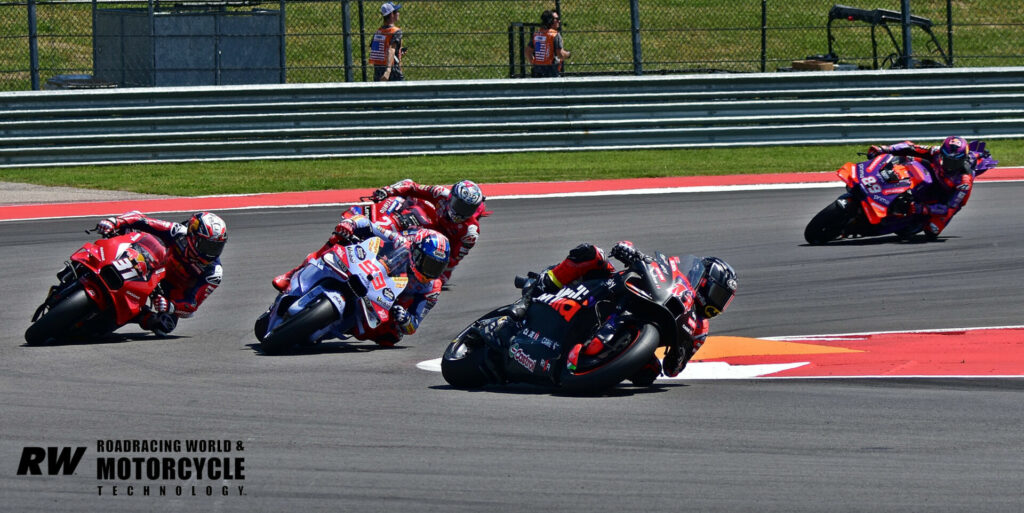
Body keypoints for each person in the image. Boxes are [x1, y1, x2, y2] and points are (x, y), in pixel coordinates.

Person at [528, 241, 738, 384]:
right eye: (717, 294)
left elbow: (673, 369)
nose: (716, 304)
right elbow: (649, 263)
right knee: (591, 254)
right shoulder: (675, 272)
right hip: (611, 289)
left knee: (649, 374)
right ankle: (541, 286)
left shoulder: (700, 329)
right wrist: (629, 251)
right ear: (703, 281)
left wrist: (680, 353)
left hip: (641, 330)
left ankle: (594, 365)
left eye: (723, 300)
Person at [95, 211, 227, 336]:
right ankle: (100, 255)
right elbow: (140, 219)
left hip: (169, 290)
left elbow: (192, 304)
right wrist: (115, 221)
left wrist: (172, 306)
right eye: (207, 245)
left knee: (165, 325)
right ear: (192, 236)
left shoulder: (214, 273)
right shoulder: (177, 231)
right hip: (152, 263)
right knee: (127, 227)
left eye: (216, 247)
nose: (211, 252)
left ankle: (138, 314)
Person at [333, 215, 449, 346]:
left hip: (385, 301)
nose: (431, 271)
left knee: (392, 336)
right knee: (338, 238)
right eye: (429, 264)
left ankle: (347, 325)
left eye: (437, 267)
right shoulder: (401, 242)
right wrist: (350, 224)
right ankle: (313, 263)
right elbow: (367, 223)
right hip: (367, 270)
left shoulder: (432, 288)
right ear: (417, 254)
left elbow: (414, 325)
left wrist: (405, 320)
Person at [370, 179, 486, 284]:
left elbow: (453, 260)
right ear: (451, 197)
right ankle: (369, 222)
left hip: (434, 249)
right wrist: (387, 191)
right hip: (430, 224)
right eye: (460, 205)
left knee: (410, 228)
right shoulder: (440, 193)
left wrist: (435, 280)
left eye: (468, 209)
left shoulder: (470, 233)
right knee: (401, 200)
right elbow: (411, 186)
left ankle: (385, 252)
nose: (462, 212)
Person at [867, 136, 979, 239]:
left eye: (955, 162)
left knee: (932, 230)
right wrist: (885, 149)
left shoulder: (964, 182)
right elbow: (911, 146)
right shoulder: (936, 151)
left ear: (963, 160)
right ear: (941, 154)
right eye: (947, 160)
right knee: (906, 158)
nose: (950, 166)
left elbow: (948, 208)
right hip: (935, 175)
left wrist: (923, 209)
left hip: (947, 197)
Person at [527, 10, 570, 78]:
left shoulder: (536, 34)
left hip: (537, 69)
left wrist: (533, 64)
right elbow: (560, 54)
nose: (559, 21)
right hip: (551, 70)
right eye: (557, 19)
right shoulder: (554, 35)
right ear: (551, 21)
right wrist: (568, 54)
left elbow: (528, 51)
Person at [369, 2, 405, 82]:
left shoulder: (378, 31)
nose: (398, 13)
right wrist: (388, 70)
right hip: (392, 71)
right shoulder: (396, 31)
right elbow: (391, 49)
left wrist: (398, 52)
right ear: (392, 14)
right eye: (396, 12)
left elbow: (376, 50)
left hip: (378, 70)